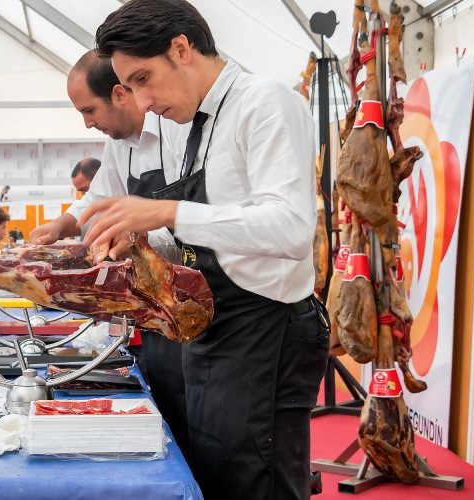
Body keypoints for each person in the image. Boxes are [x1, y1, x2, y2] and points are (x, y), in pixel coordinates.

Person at [85, 2, 329, 497]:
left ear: (181, 48)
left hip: (268, 328)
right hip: (213, 329)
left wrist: (166, 213)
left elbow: (290, 230)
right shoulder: (189, 123)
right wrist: (140, 241)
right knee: (217, 475)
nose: (143, 101)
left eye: (143, 78)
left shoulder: (266, 103)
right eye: (130, 88)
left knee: (257, 482)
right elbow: (207, 233)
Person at [31, 49, 187, 454]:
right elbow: (96, 202)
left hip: (193, 299)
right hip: (157, 308)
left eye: (89, 110)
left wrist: (140, 238)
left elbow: (190, 223)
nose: (87, 123)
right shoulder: (121, 145)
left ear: (120, 94)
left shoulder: (176, 132)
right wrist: (62, 226)